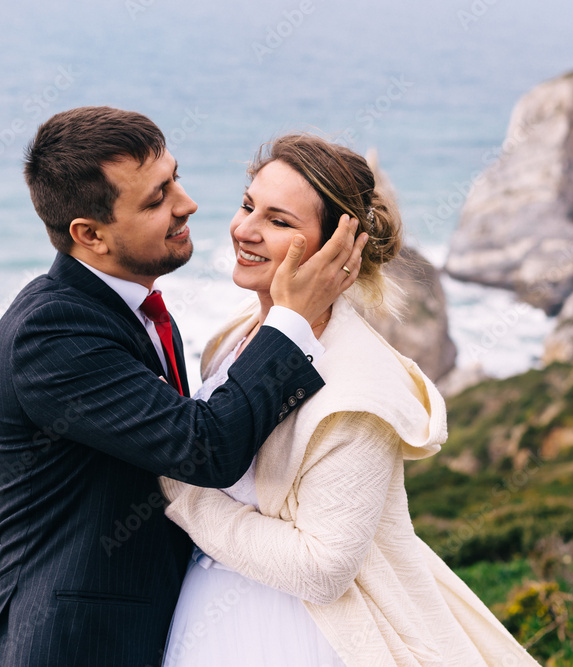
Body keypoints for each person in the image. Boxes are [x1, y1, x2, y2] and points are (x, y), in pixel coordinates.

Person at [0, 108, 367, 667]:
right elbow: (207, 447)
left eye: (174, 178)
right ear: (89, 234)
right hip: (75, 645)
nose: (187, 204)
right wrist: (291, 321)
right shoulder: (51, 333)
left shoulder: (136, 308)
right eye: (156, 200)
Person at [159, 134, 539, 666]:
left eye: (279, 221)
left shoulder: (359, 389)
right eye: (249, 205)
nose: (244, 230)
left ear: (338, 248)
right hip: (206, 614)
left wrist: (184, 493)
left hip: (291, 637)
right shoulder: (231, 340)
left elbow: (323, 568)